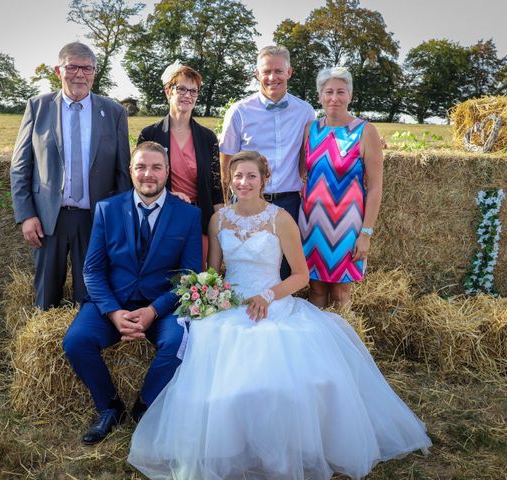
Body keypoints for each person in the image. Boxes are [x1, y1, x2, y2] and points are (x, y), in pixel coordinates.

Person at [128, 151, 430, 480]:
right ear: (229, 180)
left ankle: (278, 447)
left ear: (264, 181)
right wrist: (205, 295)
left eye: (251, 176)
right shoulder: (219, 219)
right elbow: (213, 271)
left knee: (278, 368)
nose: (243, 182)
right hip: (230, 305)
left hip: (273, 303)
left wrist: (268, 296)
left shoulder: (280, 219)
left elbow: (300, 275)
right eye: (238, 176)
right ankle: (227, 445)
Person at [63, 141, 202, 445]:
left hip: (161, 305)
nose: (148, 174)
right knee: (75, 341)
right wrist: (113, 312)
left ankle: (145, 406)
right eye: (141, 166)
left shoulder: (188, 216)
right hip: (115, 300)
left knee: (180, 342)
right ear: (131, 171)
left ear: (168, 171)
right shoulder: (107, 209)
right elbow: (92, 270)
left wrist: (154, 310)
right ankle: (109, 407)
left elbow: (189, 276)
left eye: (156, 167)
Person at [11, 42, 131, 310]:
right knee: (46, 294)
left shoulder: (113, 112)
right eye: (72, 67)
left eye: (87, 68)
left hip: (94, 219)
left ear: (94, 72)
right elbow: (21, 166)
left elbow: (123, 171)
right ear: (58, 70)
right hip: (47, 219)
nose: (80, 74)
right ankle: (42, 344)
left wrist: (121, 221)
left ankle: (82, 343)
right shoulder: (38, 107)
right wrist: (26, 214)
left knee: (89, 294)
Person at [219, 45, 315, 278]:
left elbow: (308, 152)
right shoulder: (239, 111)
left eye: (279, 71)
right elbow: (226, 163)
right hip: (247, 201)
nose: (272, 77)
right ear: (257, 73)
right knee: (244, 268)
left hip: (288, 202)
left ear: (289, 72)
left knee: (282, 273)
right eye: (266, 71)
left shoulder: (305, 111)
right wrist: (228, 202)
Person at [299, 67, 383, 308]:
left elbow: (376, 187)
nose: (334, 98)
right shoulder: (311, 129)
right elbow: (304, 172)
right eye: (328, 92)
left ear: (350, 96)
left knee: (340, 292)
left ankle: (341, 343)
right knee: (315, 289)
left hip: (347, 225)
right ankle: (318, 344)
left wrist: (366, 233)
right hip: (312, 223)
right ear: (319, 96)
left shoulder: (366, 131)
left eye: (340, 92)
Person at [137, 61, 223, 264]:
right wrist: (166, 195)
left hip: (198, 218)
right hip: (160, 216)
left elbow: (216, 185)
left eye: (194, 91)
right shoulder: (150, 134)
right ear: (168, 91)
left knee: (195, 281)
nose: (188, 95)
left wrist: (220, 224)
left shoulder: (207, 137)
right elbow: (138, 180)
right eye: (182, 89)